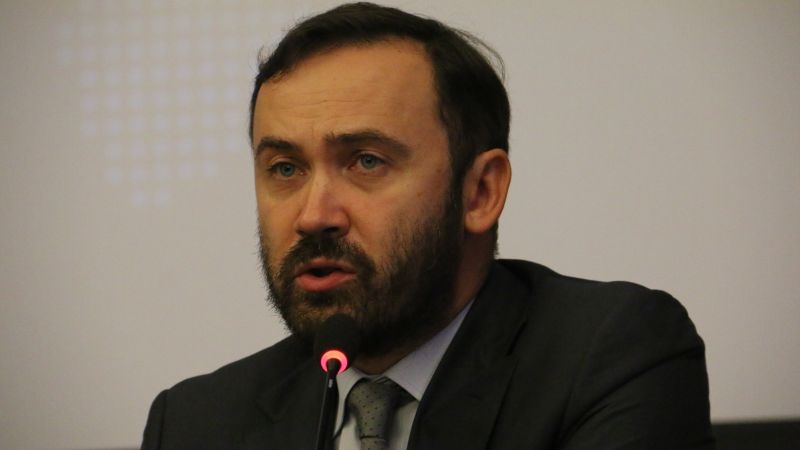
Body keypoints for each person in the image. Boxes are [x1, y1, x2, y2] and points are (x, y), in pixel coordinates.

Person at [141, 3, 713, 449]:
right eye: (285, 168)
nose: (313, 216)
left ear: (480, 192)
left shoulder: (610, 357)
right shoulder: (195, 423)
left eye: (366, 161)